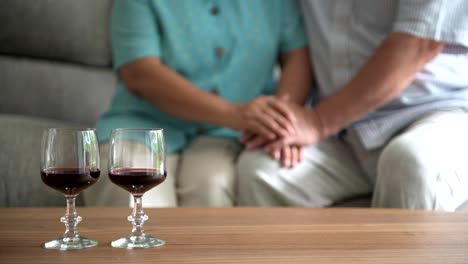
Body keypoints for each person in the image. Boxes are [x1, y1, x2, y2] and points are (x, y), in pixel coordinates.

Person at [237, 0, 468, 211]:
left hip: (437, 114)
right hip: (344, 130)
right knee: (260, 173)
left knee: (411, 164)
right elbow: (294, 42)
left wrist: (318, 121)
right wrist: (285, 123)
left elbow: (419, 42)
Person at [83, 0, 312, 207]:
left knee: (212, 186)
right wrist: (235, 114)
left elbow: (297, 57)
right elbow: (139, 74)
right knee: (132, 191)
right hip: (144, 126)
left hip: (229, 135)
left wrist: (280, 123)